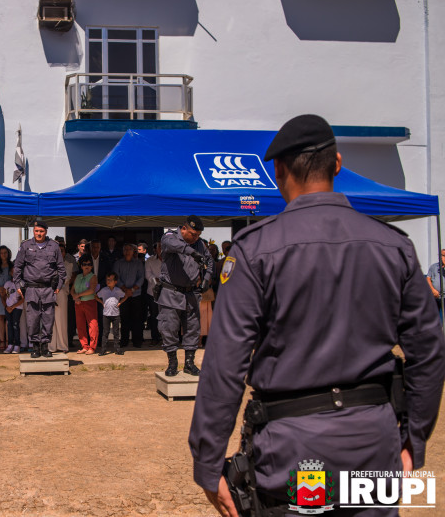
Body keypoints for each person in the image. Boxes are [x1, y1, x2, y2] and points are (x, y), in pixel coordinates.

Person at [189, 114, 445, 517]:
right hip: (371, 447)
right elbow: (428, 351)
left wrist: (207, 462)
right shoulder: (393, 246)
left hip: (297, 451)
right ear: (338, 164)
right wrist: (414, 438)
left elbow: (225, 364)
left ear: (278, 171)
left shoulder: (255, 250)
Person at [157, 216, 213, 377]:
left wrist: (206, 280)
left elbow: (209, 261)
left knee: (193, 328)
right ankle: (172, 362)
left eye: (198, 235)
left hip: (192, 293)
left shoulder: (200, 244)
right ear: (184, 229)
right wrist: (193, 253)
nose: (196, 238)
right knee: (169, 328)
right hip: (171, 293)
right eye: (193, 234)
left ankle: (189, 363)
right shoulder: (170, 237)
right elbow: (175, 246)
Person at [13, 219, 67, 358]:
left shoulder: (54, 246)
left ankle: (45, 347)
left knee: (48, 319)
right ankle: (36, 347)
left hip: (48, 289)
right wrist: (18, 284)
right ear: (33, 231)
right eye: (36, 231)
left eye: (41, 231)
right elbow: (17, 267)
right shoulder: (26, 246)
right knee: (33, 319)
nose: (39, 233)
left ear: (46, 232)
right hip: (31, 289)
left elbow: (61, 269)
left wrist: (59, 286)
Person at [113, 243, 146, 348]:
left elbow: (141, 278)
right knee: (124, 318)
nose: (127, 251)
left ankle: (137, 341)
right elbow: (116, 278)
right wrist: (125, 289)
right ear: (123, 252)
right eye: (125, 249)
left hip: (136, 294)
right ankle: (124, 341)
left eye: (129, 250)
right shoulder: (118, 263)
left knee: (137, 318)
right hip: (122, 295)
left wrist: (132, 289)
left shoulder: (138, 263)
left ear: (133, 251)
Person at [95, 272, 129, 356]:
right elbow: (96, 296)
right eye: (107, 280)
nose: (108, 281)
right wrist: (102, 302)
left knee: (116, 332)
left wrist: (120, 303)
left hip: (116, 314)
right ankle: (103, 349)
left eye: (111, 280)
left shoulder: (118, 290)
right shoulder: (103, 290)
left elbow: (126, 296)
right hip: (106, 314)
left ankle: (117, 349)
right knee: (105, 332)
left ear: (115, 282)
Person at [71, 255, 99, 354]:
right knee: (80, 325)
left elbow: (91, 290)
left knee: (92, 325)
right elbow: (72, 290)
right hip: (78, 303)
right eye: (84, 264)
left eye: (89, 264)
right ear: (81, 266)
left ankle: (92, 347)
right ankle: (84, 346)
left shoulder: (93, 276)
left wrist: (78, 295)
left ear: (92, 266)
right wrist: (75, 296)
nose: (87, 266)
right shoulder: (78, 276)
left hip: (89, 302)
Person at [51, 239, 75, 353]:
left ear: (65, 252)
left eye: (62, 251)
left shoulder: (68, 264)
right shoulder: (49, 264)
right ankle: (51, 346)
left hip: (61, 293)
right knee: (50, 321)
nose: (60, 253)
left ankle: (62, 346)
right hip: (49, 293)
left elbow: (66, 279)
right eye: (58, 251)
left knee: (61, 321)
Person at [144, 240, 162, 346]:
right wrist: (157, 281)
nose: (161, 249)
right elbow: (148, 275)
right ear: (156, 249)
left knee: (168, 317)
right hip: (153, 292)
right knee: (154, 316)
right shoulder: (150, 260)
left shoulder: (170, 260)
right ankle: (155, 338)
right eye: (160, 247)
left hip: (168, 292)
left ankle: (167, 339)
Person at [3, 268, 24, 354]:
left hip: (17, 308)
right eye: (12, 272)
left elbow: (23, 298)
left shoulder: (21, 283)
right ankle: (10, 344)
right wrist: (6, 306)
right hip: (8, 308)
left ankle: (17, 345)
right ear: (10, 273)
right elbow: (3, 295)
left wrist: (13, 307)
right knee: (9, 326)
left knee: (15, 325)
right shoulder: (7, 283)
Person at [426, 249, 445, 321]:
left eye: (443, 256)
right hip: (435, 295)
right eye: (440, 255)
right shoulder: (434, 267)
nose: (441, 257)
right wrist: (433, 290)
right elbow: (428, 278)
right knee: (433, 316)